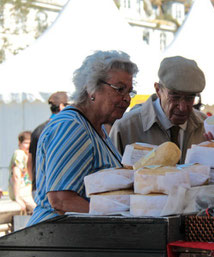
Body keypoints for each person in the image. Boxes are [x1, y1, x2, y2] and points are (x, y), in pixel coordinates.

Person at [27, 50, 139, 226]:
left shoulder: (95, 128)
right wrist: (118, 223)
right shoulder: (72, 126)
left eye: (129, 92)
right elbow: (60, 200)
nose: (126, 99)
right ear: (91, 88)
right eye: (119, 89)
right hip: (57, 241)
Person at [110, 56, 207, 163]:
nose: (182, 107)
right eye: (175, 96)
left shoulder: (204, 126)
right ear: (158, 90)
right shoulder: (126, 128)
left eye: (190, 98)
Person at [28, 91, 69, 193]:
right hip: (56, 190)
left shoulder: (38, 129)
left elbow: (30, 160)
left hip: (38, 188)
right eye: (68, 105)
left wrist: (34, 182)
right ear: (61, 106)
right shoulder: (63, 129)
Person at [8, 131, 36, 214]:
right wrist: (17, 197)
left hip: (27, 192)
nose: (28, 146)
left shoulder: (27, 155)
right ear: (19, 143)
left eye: (30, 143)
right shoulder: (19, 154)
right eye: (26, 143)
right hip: (22, 192)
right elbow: (16, 176)